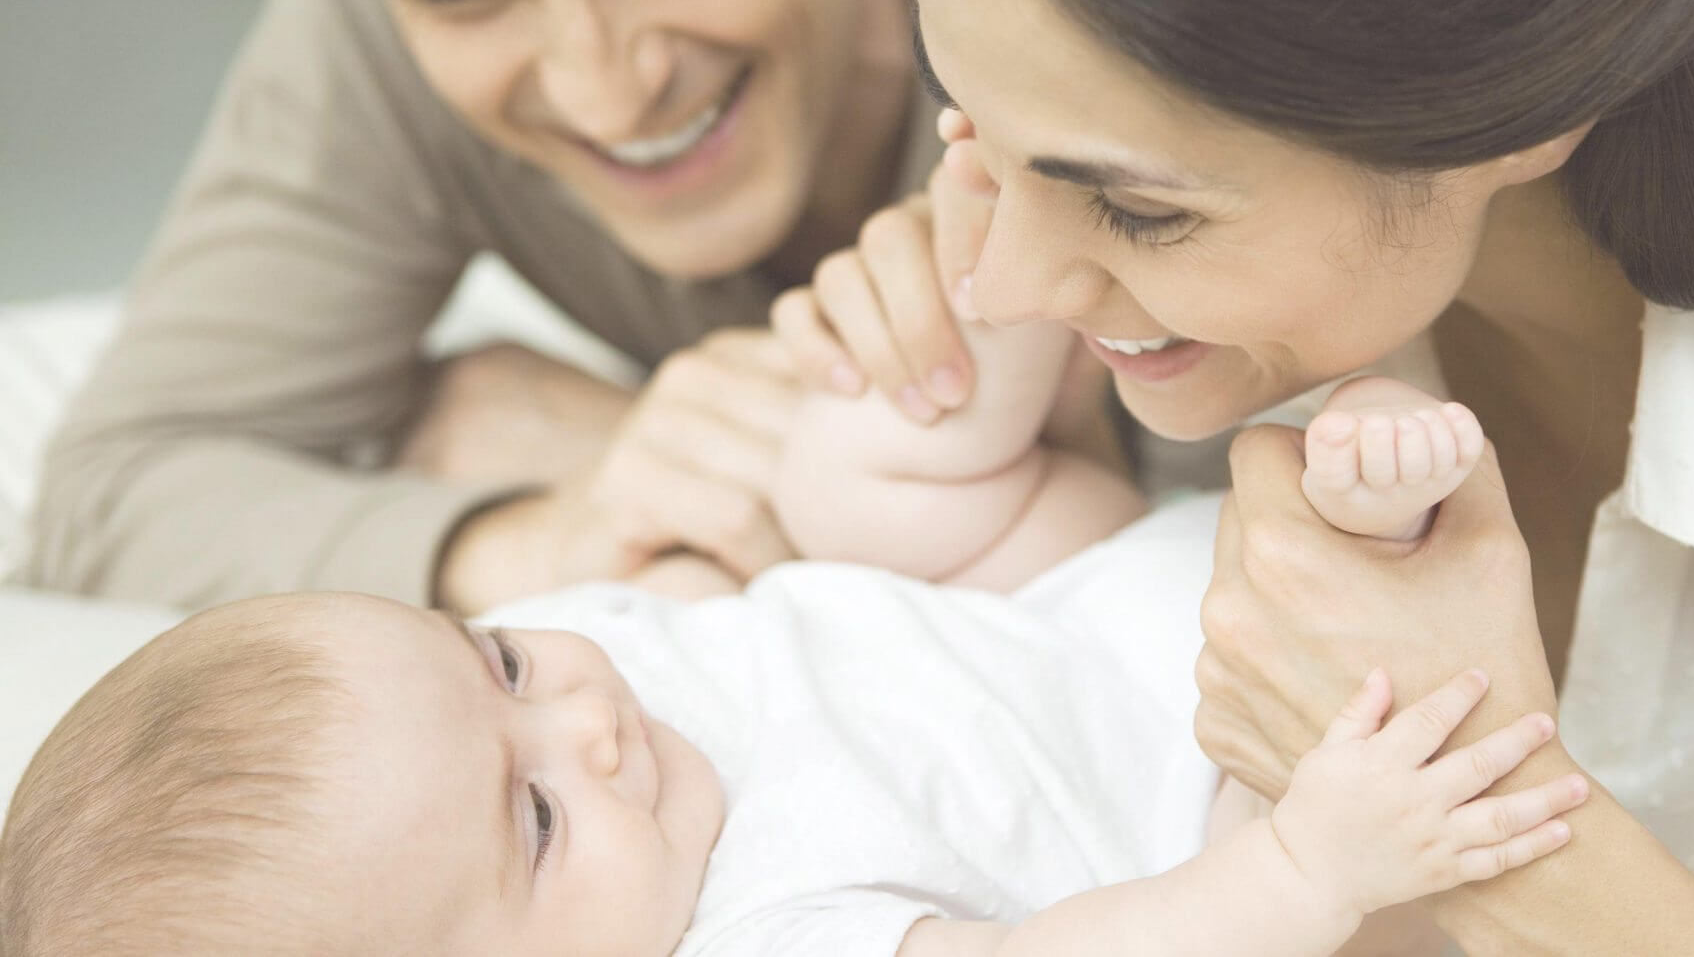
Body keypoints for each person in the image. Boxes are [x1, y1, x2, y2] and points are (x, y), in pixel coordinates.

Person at [775, 0, 1694, 951]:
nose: (1004, 284)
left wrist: (1482, 820)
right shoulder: (1172, 312)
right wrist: (1033, 498)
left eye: (1136, 207)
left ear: (1519, 101)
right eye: (971, 127)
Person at [0, 331, 1563, 955]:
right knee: (1344, 836)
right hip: (1187, 798)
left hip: (1042, 608)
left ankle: (1004, 306)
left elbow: (721, 595)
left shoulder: (584, 694)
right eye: (534, 819)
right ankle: (1368, 526)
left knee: (839, 472)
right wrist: (1304, 867)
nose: (586, 717)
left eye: (496, 662)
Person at [23, 0, 1092, 615]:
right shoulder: (379, 1)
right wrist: (545, 531)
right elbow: (115, 489)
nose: (605, 95)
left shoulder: (1115, 5)